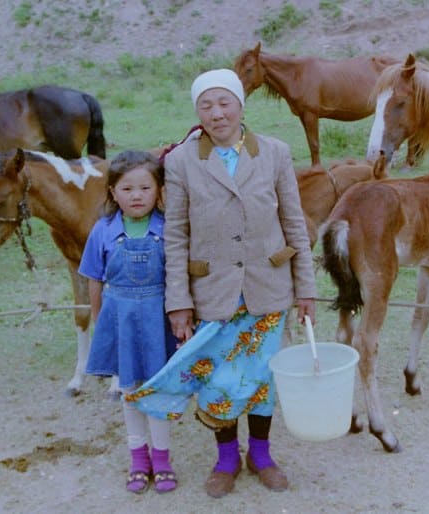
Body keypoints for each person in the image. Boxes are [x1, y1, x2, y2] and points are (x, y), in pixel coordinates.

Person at [125, 69, 317, 498]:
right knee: (220, 380)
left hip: (268, 286)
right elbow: (175, 235)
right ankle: (227, 458)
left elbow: (294, 224)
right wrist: (179, 302)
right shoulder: (179, 162)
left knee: (263, 378)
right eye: (206, 106)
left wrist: (305, 289)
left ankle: (262, 455)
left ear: (240, 105)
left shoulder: (275, 153)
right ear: (197, 112)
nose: (216, 113)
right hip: (212, 291)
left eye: (224, 103)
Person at [78, 150, 179, 494]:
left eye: (145, 188)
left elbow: (179, 279)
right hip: (119, 320)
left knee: (158, 391)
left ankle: (162, 459)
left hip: (158, 321)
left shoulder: (168, 230)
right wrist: (98, 321)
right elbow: (93, 279)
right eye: (127, 189)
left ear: (159, 191)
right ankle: (139, 458)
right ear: (112, 193)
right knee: (130, 392)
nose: (136, 196)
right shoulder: (103, 231)